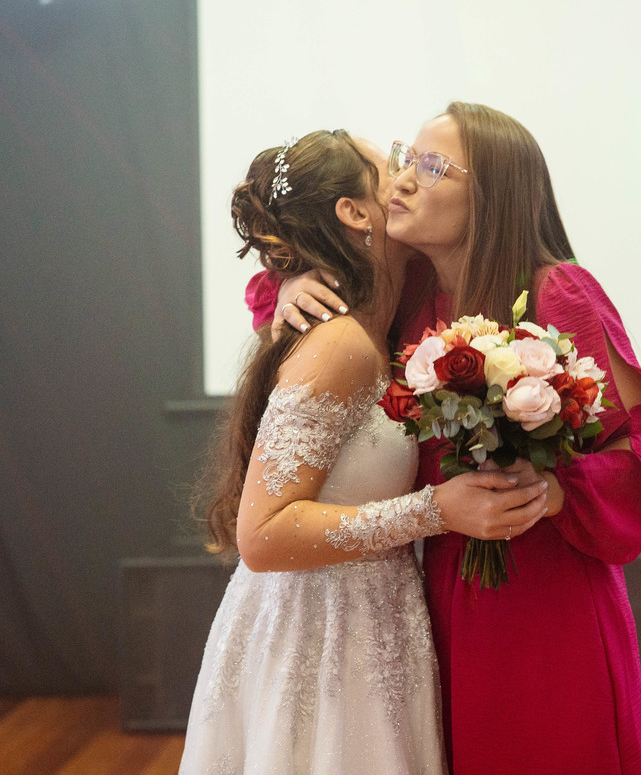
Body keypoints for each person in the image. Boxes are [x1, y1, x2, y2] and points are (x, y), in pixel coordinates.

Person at [249, 103, 641, 775]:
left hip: (544, 602)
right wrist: (287, 284)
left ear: (492, 196)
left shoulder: (560, 291)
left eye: (431, 165)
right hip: (439, 602)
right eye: (405, 157)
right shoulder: (410, 292)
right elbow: (312, 300)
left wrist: (552, 493)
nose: (404, 180)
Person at [179, 129, 550, 775]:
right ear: (354, 214)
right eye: (393, 172)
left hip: (365, 630)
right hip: (318, 639)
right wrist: (436, 509)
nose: (409, 181)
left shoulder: (382, 329)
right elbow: (262, 535)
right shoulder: (341, 345)